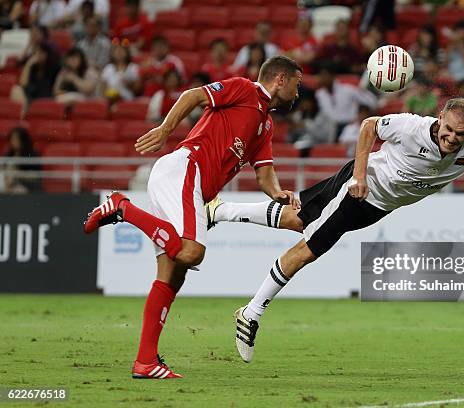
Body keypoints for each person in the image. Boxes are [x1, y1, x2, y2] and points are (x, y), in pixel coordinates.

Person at [204, 98, 464, 363]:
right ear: (440, 118)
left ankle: (220, 210)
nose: (452, 138)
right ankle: (251, 312)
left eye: (460, 135)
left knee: (297, 218)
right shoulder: (411, 127)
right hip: (361, 188)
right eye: (448, 130)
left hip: (379, 206)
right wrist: (358, 176)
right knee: (310, 247)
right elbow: (370, 125)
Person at [83, 56, 303, 379]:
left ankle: (145, 362)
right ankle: (122, 207)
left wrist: (279, 194)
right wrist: (165, 129)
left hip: (191, 185)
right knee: (191, 251)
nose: (299, 92)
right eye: (297, 83)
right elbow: (193, 96)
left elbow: (265, 174)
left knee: (173, 274)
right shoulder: (244, 90)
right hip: (186, 169)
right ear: (280, 79)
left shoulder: (265, 125)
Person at [3, 127, 41, 193]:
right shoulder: (9, 155)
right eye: (12, 139)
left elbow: (36, 176)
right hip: (8, 186)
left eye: (16, 139)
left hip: (28, 187)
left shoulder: (32, 155)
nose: (13, 141)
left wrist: (19, 175)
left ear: (23, 140)